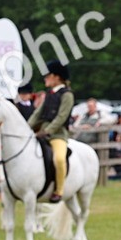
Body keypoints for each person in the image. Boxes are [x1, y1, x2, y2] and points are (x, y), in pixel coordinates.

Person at [27, 60, 74, 203]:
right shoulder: (49, 94)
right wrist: (26, 127)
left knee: (59, 159)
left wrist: (48, 131)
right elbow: (38, 113)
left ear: (56, 77)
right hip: (42, 133)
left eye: (48, 75)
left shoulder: (67, 95)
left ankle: (59, 190)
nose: (45, 78)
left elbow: (61, 117)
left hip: (57, 135)